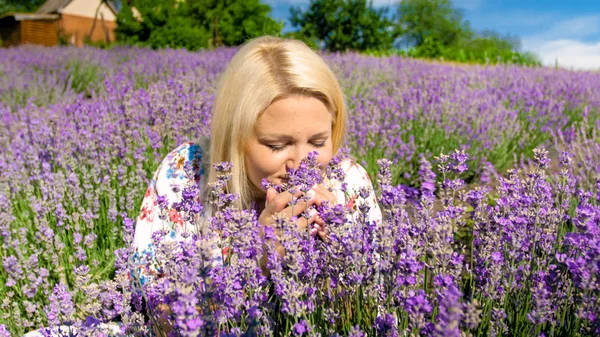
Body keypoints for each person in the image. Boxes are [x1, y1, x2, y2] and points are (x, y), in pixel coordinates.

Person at [130, 35, 382, 293]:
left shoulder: (349, 184)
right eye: (277, 145)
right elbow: (152, 305)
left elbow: (378, 303)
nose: (300, 165)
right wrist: (258, 263)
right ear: (235, 139)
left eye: (317, 143)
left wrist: (340, 260)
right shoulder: (185, 173)